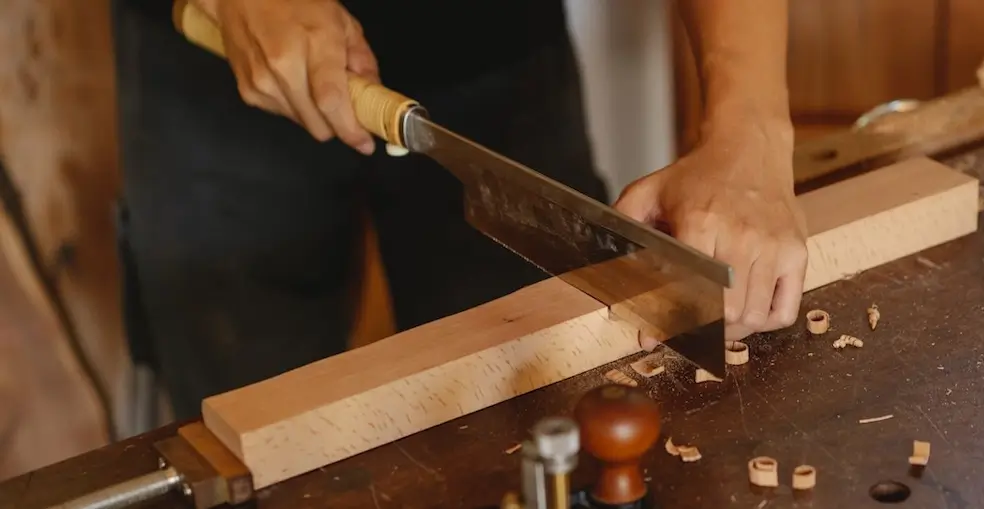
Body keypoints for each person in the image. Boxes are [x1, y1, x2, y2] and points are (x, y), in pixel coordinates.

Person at [110, 0, 808, 419]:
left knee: (555, 396)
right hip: (212, 56)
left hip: (496, 49)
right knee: (245, 413)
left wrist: (750, 126)